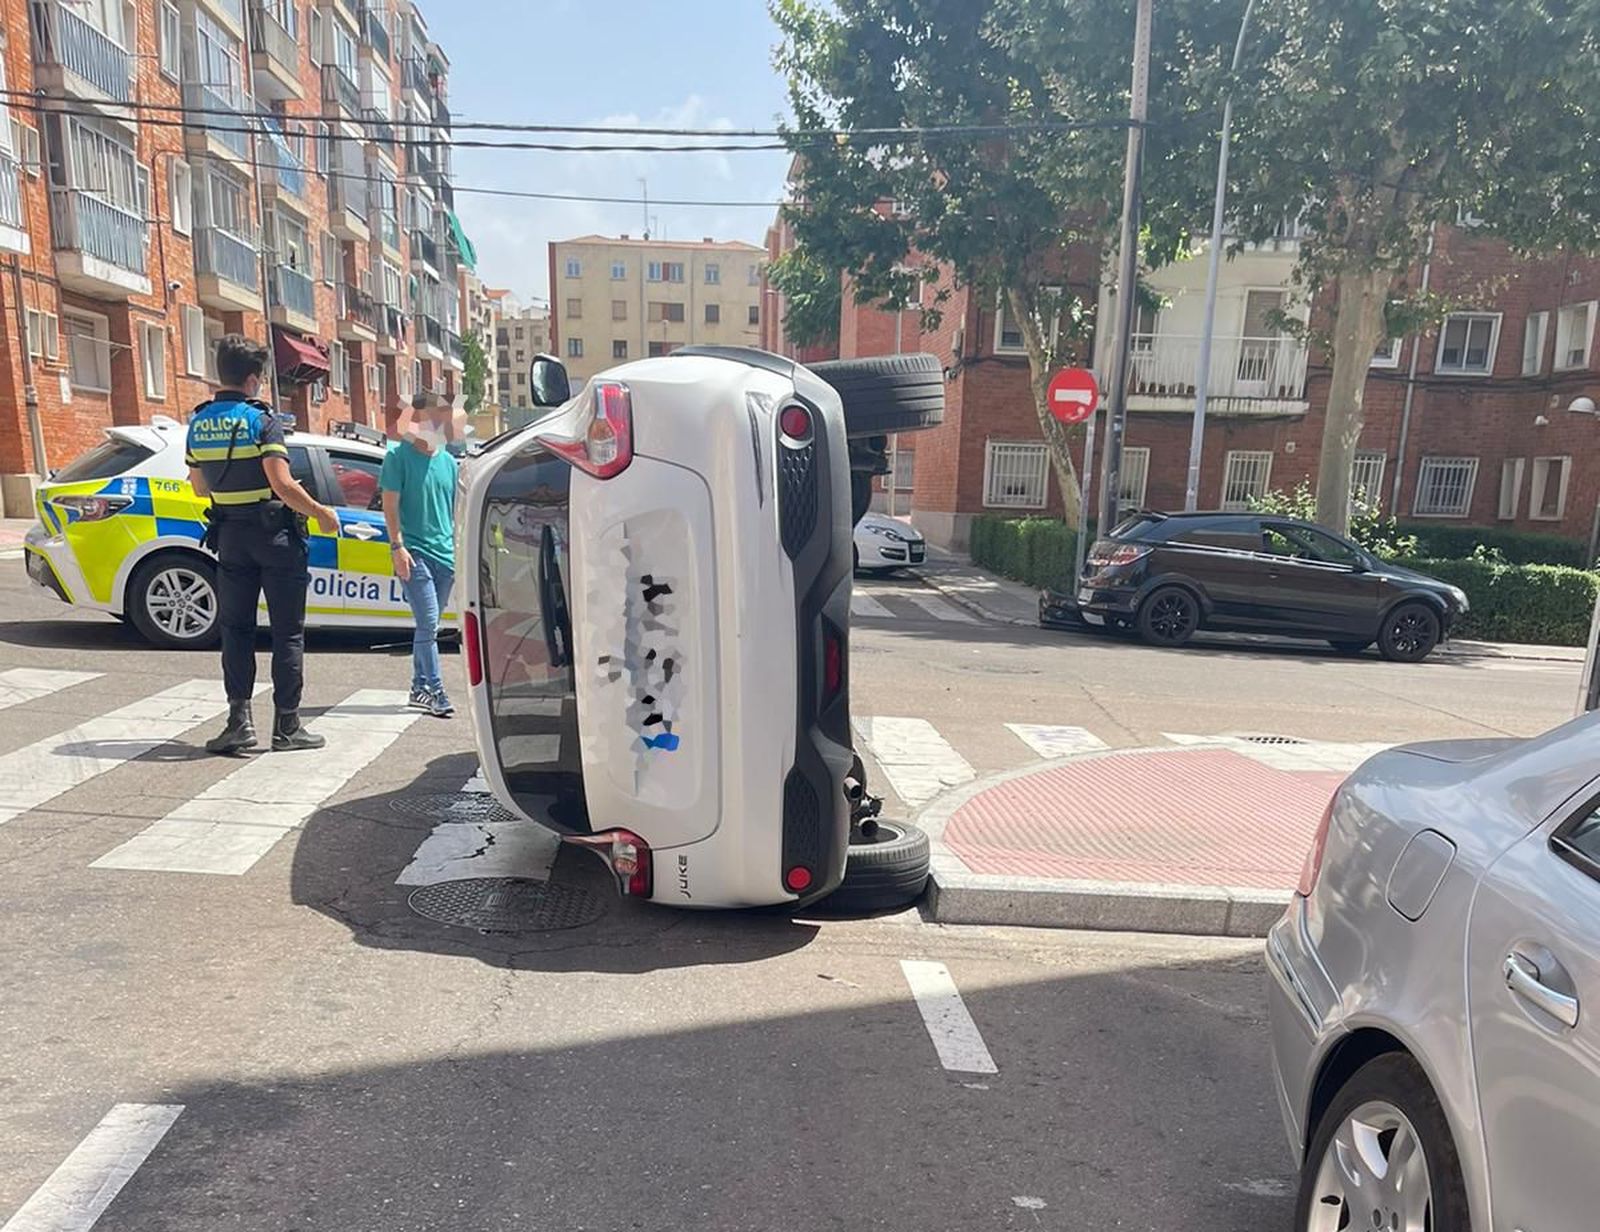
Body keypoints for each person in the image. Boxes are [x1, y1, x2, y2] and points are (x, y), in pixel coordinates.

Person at [186, 335, 339, 755]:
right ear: (253, 379)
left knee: (235, 630)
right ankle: (287, 726)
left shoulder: (198, 422)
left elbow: (199, 487)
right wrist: (321, 512)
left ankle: (239, 723)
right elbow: (282, 484)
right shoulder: (262, 420)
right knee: (287, 632)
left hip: (230, 537)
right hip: (275, 536)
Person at [381, 391, 463, 717]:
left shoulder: (448, 462)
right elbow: (389, 505)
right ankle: (436, 692)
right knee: (429, 623)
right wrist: (397, 547)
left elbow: (456, 510)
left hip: (446, 557)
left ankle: (417, 687)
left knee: (428, 625)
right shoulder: (397, 457)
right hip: (414, 553)